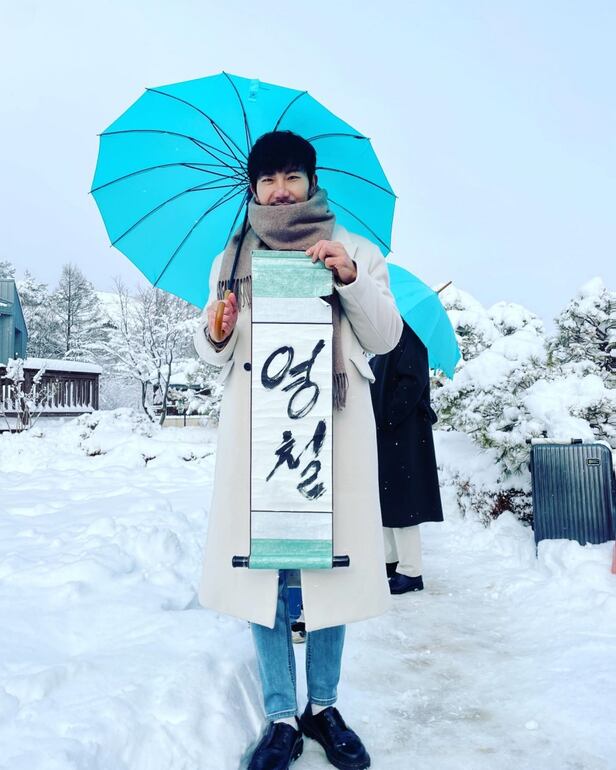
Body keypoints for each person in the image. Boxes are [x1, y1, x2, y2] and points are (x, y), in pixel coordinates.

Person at [193, 130, 402, 770]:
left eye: (291, 177)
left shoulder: (355, 249)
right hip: (260, 438)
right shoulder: (231, 258)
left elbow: (385, 337)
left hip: (328, 435)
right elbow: (214, 349)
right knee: (265, 571)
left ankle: (325, 707)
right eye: (267, 179)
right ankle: (281, 714)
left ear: (312, 182)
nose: (280, 190)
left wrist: (349, 278)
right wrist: (217, 328)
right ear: (254, 189)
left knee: (328, 569)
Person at [369, 319, 444, 594]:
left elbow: (413, 381)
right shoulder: (385, 338)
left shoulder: (408, 334)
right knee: (388, 499)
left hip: (404, 434)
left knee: (403, 504)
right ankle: (391, 561)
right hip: (388, 434)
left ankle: (411, 572)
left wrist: (389, 417)